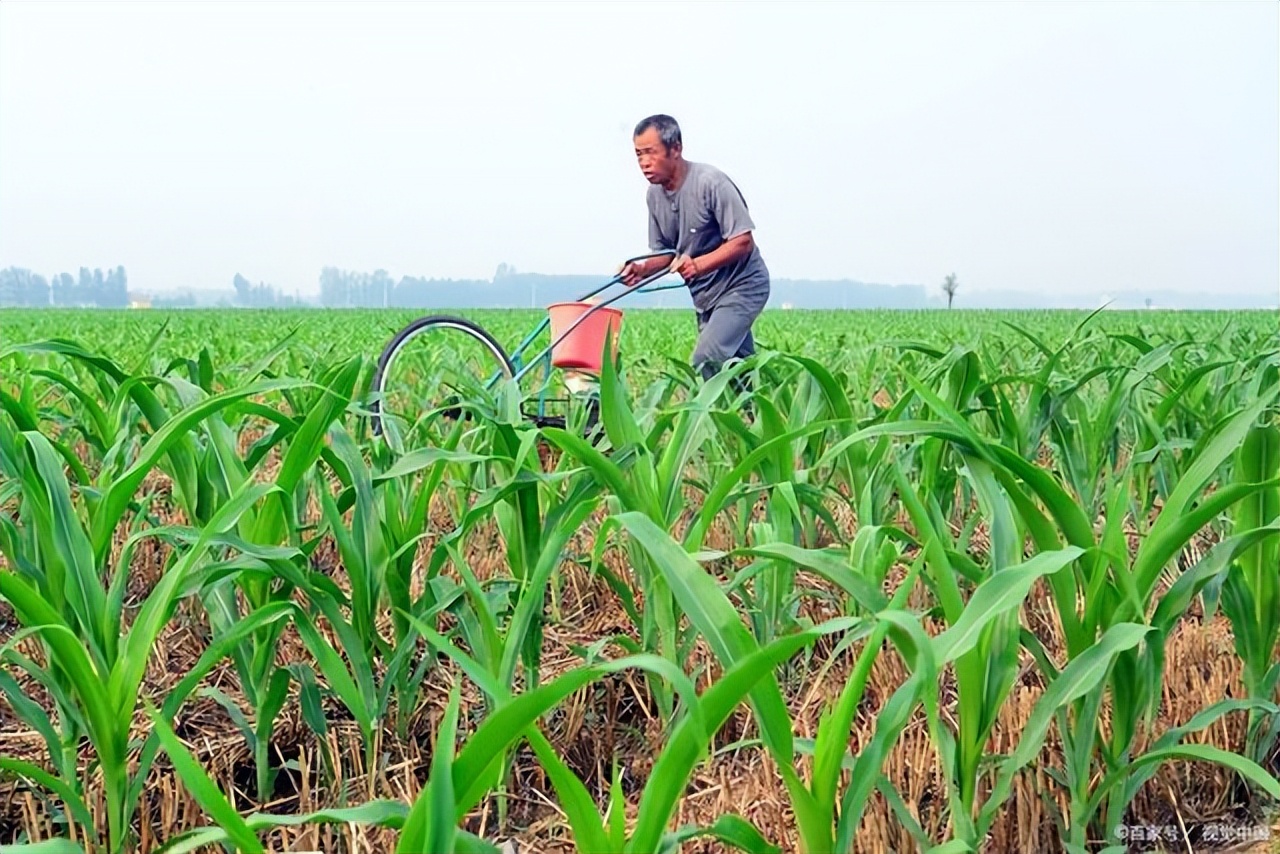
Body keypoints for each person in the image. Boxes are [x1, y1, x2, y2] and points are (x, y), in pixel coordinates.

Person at [619, 114, 770, 388]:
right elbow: (666, 253)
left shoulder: (710, 183)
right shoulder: (654, 196)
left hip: (742, 286)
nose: (644, 163)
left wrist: (698, 266)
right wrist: (642, 270)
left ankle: (717, 423)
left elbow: (742, 240)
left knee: (707, 358)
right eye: (638, 155)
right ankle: (760, 420)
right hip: (705, 296)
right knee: (739, 372)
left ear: (675, 148)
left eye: (650, 153)